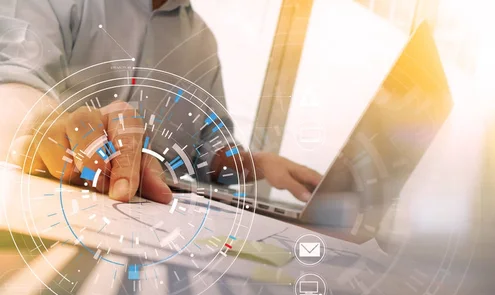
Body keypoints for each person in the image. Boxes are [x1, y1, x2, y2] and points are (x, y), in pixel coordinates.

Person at [0, 0, 321, 204]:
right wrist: (42, 124)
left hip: (147, 220)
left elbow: (211, 153)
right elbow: (15, 77)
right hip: (44, 201)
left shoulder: (202, 42)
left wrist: (259, 163)